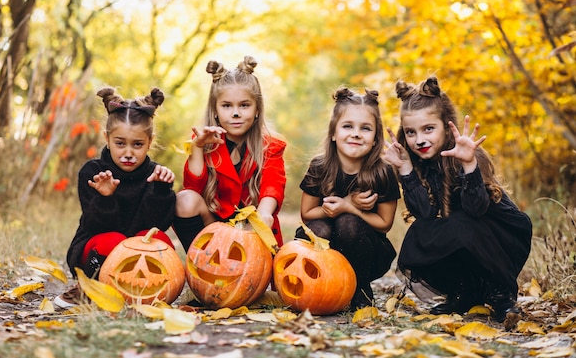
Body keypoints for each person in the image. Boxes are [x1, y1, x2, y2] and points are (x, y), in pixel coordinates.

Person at [383, 76, 532, 323]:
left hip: (501, 234)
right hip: (465, 232)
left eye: (428, 129)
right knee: (420, 235)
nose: (419, 140)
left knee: (463, 223)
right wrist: (406, 169)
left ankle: (501, 295)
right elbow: (426, 215)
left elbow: (476, 208)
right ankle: (464, 292)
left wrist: (469, 164)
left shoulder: (467, 154)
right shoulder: (417, 163)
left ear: (446, 124)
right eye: (411, 132)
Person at [55, 86, 176, 308]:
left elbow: (158, 226)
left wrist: (161, 190)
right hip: (96, 246)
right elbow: (94, 226)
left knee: (162, 242)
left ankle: (147, 293)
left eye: (137, 144)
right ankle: (89, 288)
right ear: (107, 139)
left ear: (149, 142)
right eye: (120, 143)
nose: (128, 152)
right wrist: (105, 197)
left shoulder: (156, 174)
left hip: (136, 248)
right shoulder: (93, 172)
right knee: (114, 241)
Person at [296, 87, 400, 310]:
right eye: (347, 126)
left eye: (365, 128)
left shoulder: (383, 172)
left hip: (368, 252)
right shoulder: (319, 167)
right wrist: (345, 203)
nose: (356, 133)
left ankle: (359, 288)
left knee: (349, 223)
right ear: (333, 133)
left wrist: (351, 209)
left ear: (375, 139)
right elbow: (307, 215)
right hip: (324, 246)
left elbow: (384, 225)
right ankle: (317, 284)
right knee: (320, 228)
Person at [173, 56, 286, 252]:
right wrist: (197, 148)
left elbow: (272, 184)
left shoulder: (271, 146)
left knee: (253, 264)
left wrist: (264, 213)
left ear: (257, 109)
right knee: (184, 199)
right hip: (215, 229)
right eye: (227, 106)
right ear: (215, 110)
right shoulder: (204, 140)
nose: (235, 113)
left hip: (254, 228)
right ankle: (202, 262)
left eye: (244, 105)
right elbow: (193, 190)